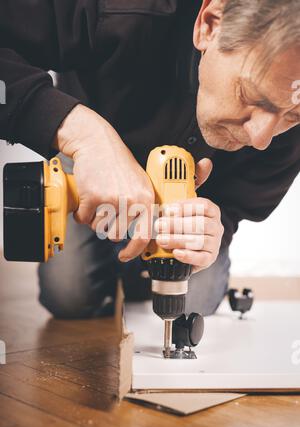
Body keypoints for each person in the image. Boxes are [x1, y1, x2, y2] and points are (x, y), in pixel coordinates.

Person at [0, 0, 299, 319]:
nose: (261, 138)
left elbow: (239, 201)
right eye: (251, 97)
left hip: (201, 200)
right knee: (70, 294)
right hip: (90, 163)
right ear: (209, 25)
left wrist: (215, 226)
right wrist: (82, 134)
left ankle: (137, 270)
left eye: (293, 115)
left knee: (196, 300)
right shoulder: (120, 7)